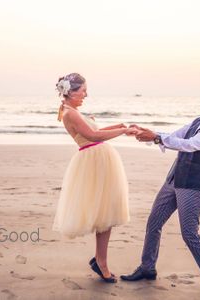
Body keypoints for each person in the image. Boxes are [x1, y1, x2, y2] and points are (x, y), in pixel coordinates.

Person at [121, 81, 200, 297]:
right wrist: (145, 132)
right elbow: (175, 136)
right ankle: (147, 268)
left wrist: (155, 137)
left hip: (193, 187)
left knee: (189, 234)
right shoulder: (198, 121)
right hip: (173, 180)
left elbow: (190, 144)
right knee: (153, 223)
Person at [52, 73, 137, 283]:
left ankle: (100, 260)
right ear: (70, 92)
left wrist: (119, 127)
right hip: (94, 162)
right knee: (103, 213)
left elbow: (95, 130)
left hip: (99, 160)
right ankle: (101, 262)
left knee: (106, 213)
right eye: (83, 91)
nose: (86, 94)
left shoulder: (73, 110)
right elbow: (92, 137)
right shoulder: (70, 113)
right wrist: (123, 131)